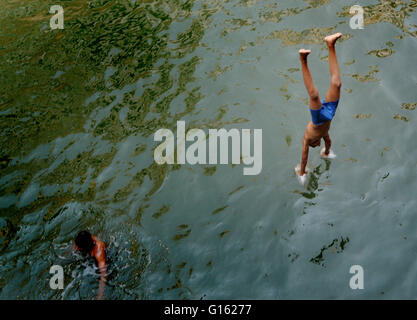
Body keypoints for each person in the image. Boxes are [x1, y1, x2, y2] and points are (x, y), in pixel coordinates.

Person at [297, 32, 342, 179]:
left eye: (316, 146)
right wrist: (327, 152)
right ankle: (331, 44)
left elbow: (304, 158)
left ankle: (303, 59)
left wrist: (302, 172)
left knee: (314, 95)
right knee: (337, 83)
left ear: (313, 143)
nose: (317, 146)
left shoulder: (307, 140)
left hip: (317, 118)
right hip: (329, 113)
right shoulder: (324, 135)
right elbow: (328, 142)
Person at [74, 230, 107, 300]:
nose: (75, 248)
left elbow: (104, 275)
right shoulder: (87, 238)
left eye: (78, 247)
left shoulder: (99, 254)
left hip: (107, 257)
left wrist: (100, 296)